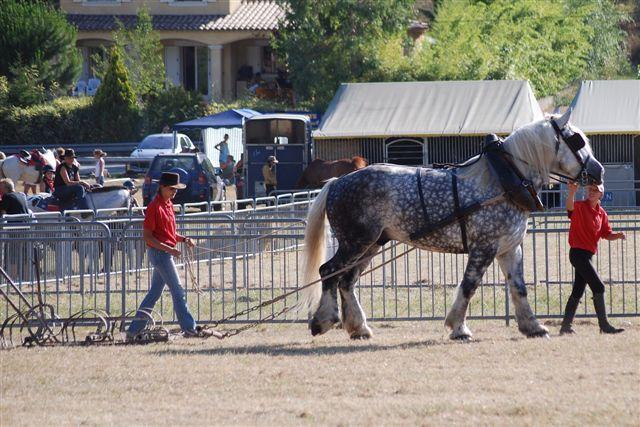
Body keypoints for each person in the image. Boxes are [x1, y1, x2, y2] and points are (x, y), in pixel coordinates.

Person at [126, 172, 220, 340]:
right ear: (162, 187)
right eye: (171, 189)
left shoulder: (168, 205)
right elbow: (148, 237)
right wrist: (170, 250)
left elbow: (169, 233)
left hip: (164, 252)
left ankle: (133, 331)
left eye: (176, 189)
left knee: (154, 294)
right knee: (178, 291)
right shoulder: (154, 207)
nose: (174, 192)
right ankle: (189, 329)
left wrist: (184, 239)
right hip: (160, 254)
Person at [560, 182, 626, 335]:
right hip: (577, 254)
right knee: (599, 286)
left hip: (588, 256)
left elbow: (606, 234)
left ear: (601, 194)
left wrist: (617, 235)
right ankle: (604, 326)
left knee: (578, 290)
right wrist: (571, 192)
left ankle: (565, 327)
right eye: (590, 189)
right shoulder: (580, 206)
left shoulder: (602, 213)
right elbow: (569, 207)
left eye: (595, 190)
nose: (591, 192)